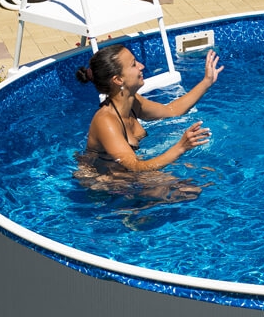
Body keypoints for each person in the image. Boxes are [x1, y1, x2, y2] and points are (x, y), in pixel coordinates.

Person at [74, 44, 222, 200]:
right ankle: (130, 212)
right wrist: (181, 147)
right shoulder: (106, 121)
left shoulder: (133, 102)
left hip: (128, 172)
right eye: (133, 64)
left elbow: (171, 110)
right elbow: (135, 167)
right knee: (187, 192)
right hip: (102, 180)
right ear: (118, 80)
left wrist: (207, 82)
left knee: (208, 176)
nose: (141, 66)